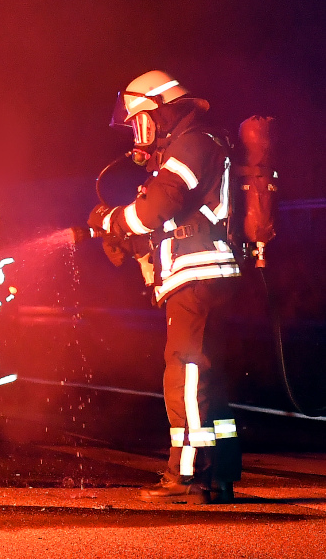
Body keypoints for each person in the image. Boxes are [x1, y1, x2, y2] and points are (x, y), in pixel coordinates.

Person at [87, 70, 242, 504]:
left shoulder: (194, 143)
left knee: (185, 369)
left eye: (140, 121)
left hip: (197, 274)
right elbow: (164, 217)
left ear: (161, 111)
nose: (139, 134)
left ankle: (188, 475)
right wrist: (127, 236)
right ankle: (221, 471)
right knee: (206, 374)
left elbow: (161, 204)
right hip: (204, 274)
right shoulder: (192, 146)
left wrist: (112, 221)